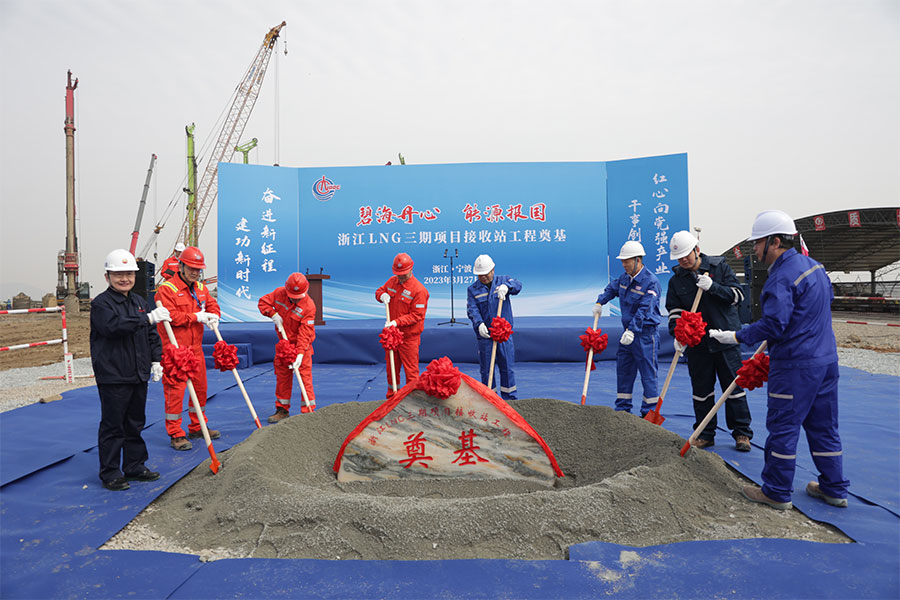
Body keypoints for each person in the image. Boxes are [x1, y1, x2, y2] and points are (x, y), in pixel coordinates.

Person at [710, 210, 849, 510]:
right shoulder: (815, 267)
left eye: (758, 243)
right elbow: (824, 302)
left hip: (796, 366)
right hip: (826, 362)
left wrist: (736, 336)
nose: (755, 249)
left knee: (783, 426)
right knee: (824, 426)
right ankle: (834, 488)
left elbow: (774, 325)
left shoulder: (781, 278)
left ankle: (775, 491)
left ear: (774, 242)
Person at [90, 249, 170, 491]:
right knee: (113, 425)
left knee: (135, 423)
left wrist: (156, 360)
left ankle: (135, 466)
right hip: (114, 375)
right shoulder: (101, 304)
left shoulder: (138, 302)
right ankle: (110, 473)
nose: (124, 279)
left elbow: (151, 334)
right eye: (118, 274)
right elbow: (113, 327)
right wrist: (147, 319)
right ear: (107, 277)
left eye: (129, 274)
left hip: (138, 373)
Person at [667, 230, 753, 452]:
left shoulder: (719, 268)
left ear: (697, 249)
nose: (683, 260)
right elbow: (674, 312)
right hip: (698, 344)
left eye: (686, 255)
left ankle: (742, 432)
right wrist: (678, 335)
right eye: (679, 258)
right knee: (701, 390)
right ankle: (705, 433)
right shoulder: (677, 281)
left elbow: (738, 296)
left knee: (734, 387)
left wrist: (713, 287)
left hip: (725, 339)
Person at [155, 245, 221, 450]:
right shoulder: (167, 289)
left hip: (196, 349)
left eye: (198, 269)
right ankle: (175, 433)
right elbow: (171, 316)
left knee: (200, 390)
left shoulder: (201, 288)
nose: (195, 272)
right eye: (191, 268)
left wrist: (214, 315)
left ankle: (198, 426)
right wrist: (196, 317)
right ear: (181, 266)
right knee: (175, 392)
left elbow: (212, 304)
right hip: (175, 350)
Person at [593, 241, 662, 416]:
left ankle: (649, 414)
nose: (624, 264)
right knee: (624, 371)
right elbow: (612, 289)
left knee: (648, 375)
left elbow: (645, 309)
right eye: (622, 261)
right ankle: (623, 411)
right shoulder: (624, 279)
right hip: (628, 334)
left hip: (645, 335)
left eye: (627, 261)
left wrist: (632, 329)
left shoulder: (651, 282)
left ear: (638, 260)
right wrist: (600, 302)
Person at [258, 273, 317, 422]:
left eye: (298, 298)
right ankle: (282, 410)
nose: (295, 300)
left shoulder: (309, 306)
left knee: (305, 379)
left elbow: (305, 333)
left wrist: (300, 354)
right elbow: (263, 302)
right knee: (283, 378)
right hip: (284, 345)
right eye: (292, 297)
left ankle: (308, 412)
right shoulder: (279, 293)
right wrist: (273, 314)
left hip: (302, 346)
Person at [466, 254, 522, 399]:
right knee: (486, 369)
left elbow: (518, 285)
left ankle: (510, 399)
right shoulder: (473, 290)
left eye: (486, 274)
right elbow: (472, 309)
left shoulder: (503, 281)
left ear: (493, 270)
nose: (483, 277)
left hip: (503, 335)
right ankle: (490, 399)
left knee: (507, 367)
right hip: (486, 336)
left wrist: (507, 287)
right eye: (480, 275)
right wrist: (479, 324)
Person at [376, 252, 429, 398]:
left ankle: (412, 399)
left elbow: (417, 315)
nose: (400, 277)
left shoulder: (419, 290)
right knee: (391, 368)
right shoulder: (392, 281)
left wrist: (396, 322)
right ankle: (392, 397)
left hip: (408, 337)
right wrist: (381, 295)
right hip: (392, 336)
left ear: (411, 269)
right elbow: (380, 290)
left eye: (403, 274)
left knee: (411, 371)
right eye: (398, 274)